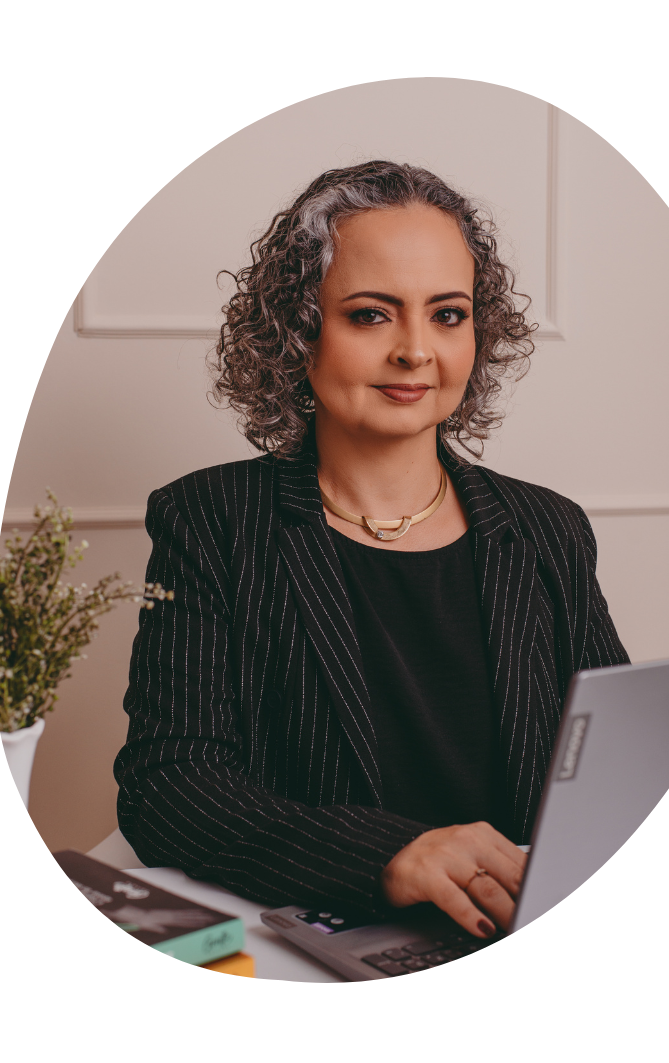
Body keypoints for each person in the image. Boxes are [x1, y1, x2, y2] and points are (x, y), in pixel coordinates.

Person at [114, 161, 630, 943]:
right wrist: (388, 854)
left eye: (448, 314)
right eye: (369, 315)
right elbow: (169, 787)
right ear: (297, 331)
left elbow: (618, 768)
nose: (416, 351)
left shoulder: (548, 527)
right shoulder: (211, 519)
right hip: (336, 944)